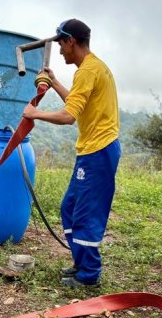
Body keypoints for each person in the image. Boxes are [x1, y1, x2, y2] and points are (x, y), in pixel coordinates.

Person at [22, 19, 121, 288]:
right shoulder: (92, 68)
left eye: (61, 45)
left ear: (71, 41)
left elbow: (68, 117)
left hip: (98, 151)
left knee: (86, 212)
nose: (61, 51)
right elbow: (77, 103)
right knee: (70, 207)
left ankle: (89, 275)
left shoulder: (88, 71)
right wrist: (53, 82)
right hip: (92, 150)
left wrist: (35, 113)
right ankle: (81, 263)